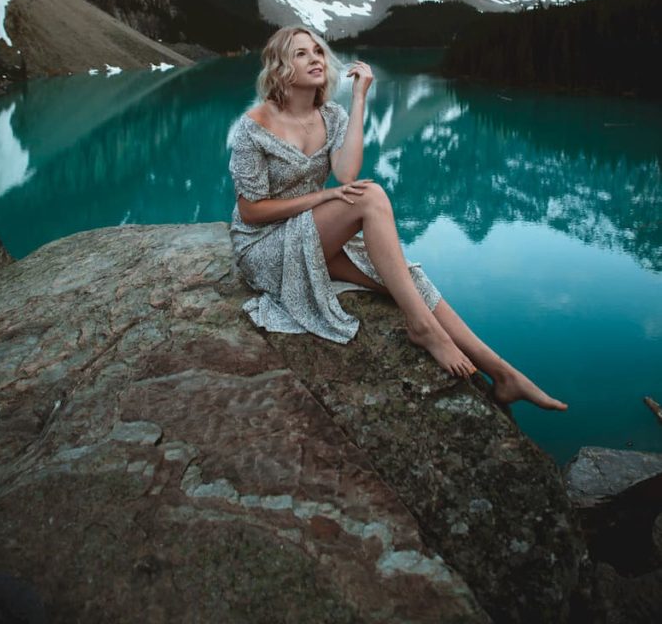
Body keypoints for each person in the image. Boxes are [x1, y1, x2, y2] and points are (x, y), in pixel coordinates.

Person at [229, 25, 567, 411]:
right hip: (265, 247)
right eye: (301, 54)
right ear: (280, 67)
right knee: (370, 198)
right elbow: (251, 212)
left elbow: (346, 175)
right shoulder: (256, 125)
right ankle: (422, 328)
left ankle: (504, 374)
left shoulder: (332, 115)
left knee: (406, 279)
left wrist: (358, 99)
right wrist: (321, 197)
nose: (316, 60)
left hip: (315, 234)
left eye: (318, 52)